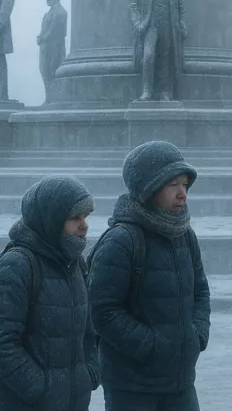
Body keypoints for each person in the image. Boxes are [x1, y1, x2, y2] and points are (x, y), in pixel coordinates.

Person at [88, 141, 211, 411]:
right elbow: (102, 310)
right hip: (132, 386)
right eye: (173, 184)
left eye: (185, 184)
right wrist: (150, 346)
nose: (182, 194)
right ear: (148, 188)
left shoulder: (185, 235)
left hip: (180, 383)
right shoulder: (121, 240)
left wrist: (197, 335)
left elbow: (201, 291)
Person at [0, 175, 99, 411]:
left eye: (85, 216)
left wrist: (89, 374)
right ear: (52, 220)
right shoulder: (17, 265)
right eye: (75, 218)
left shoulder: (74, 263)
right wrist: (42, 389)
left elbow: (90, 332)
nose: (85, 225)